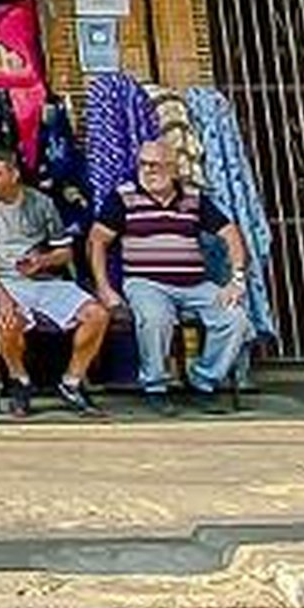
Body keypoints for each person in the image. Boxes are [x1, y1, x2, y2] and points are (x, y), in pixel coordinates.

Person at [88, 134, 257, 408]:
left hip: (195, 284)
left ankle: (203, 381)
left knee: (234, 318)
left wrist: (236, 280)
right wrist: (104, 287)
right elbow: (97, 241)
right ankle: (155, 385)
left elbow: (231, 233)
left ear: (174, 168)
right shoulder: (124, 197)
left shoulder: (193, 197)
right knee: (155, 318)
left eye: (156, 165)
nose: (149, 171)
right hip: (145, 283)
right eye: (143, 164)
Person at [0, 140, 109, 417]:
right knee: (9, 319)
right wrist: (2, 297)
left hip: (41, 279)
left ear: (14, 174)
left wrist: (42, 261)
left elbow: (65, 253)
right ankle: (19, 380)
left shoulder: (41, 203)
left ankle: (72, 382)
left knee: (96, 314)